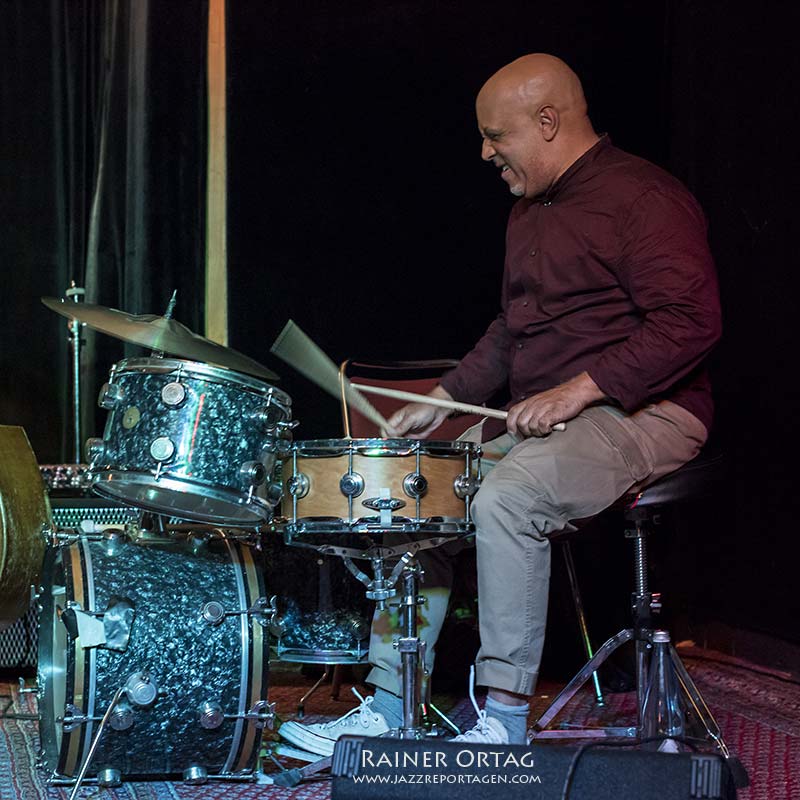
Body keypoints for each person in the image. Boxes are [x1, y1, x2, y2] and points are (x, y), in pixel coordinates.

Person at [279, 52, 720, 753]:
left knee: (506, 498)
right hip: (564, 421)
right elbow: (512, 333)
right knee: (425, 494)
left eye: (496, 136)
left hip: (651, 414)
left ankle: (504, 721)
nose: (485, 152)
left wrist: (577, 392)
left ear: (547, 122)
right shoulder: (528, 212)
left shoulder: (644, 199)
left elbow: (689, 325)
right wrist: (447, 397)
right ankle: (393, 704)